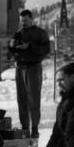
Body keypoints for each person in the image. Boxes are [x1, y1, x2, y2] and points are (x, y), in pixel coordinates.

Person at [8, 9, 51, 138]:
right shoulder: (18, 33)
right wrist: (12, 46)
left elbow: (47, 50)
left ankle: (35, 128)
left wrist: (30, 47)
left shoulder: (41, 33)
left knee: (33, 98)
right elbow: (13, 51)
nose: (23, 23)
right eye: (21, 21)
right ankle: (25, 127)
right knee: (21, 99)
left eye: (25, 21)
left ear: (32, 19)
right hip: (20, 68)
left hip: (33, 68)